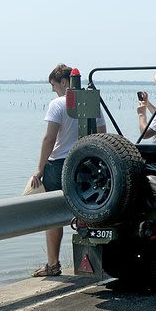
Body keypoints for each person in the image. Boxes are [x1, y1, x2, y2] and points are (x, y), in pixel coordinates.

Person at [31, 64, 106, 277]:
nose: (54, 90)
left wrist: (39, 169)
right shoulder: (92, 103)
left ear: (64, 82)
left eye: (54, 86)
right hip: (86, 165)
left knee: (53, 215)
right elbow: (102, 133)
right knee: (87, 211)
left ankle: (53, 264)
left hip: (59, 165)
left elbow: (49, 138)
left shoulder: (57, 104)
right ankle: (96, 262)